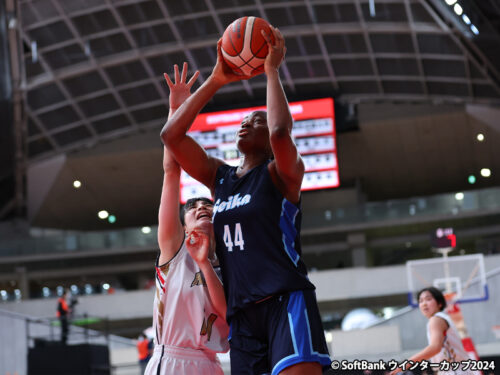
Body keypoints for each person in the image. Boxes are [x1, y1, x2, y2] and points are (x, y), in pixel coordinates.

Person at [161, 27, 331, 375]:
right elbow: (170, 136)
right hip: (243, 318)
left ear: (268, 139)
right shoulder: (219, 178)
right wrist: (216, 79)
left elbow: (282, 131)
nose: (245, 122)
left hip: (285, 301)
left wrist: (271, 70)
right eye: (243, 120)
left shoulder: (281, 174)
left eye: (256, 120)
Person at [144, 63, 229, 375]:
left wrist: (207, 263)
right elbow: (171, 170)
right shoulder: (173, 251)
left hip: (211, 364)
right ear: (183, 226)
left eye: (208, 206)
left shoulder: (226, 261)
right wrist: (177, 110)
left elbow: (227, 315)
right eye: (194, 208)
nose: (202, 208)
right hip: (172, 361)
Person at [390, 287, 479, 375]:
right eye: (421, 301)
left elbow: (435, 347)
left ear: (439, 303)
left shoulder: (436, 319)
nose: (424, 304)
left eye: (428, 299)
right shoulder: (442, 318)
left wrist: (407, 363)